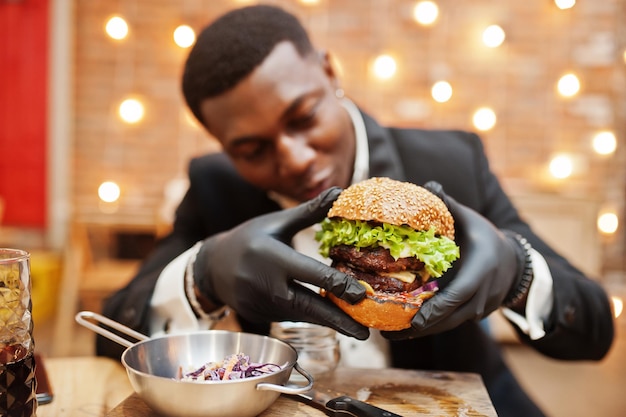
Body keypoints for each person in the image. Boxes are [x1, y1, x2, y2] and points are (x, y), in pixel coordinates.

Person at [96, 5, 614, 417]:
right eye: (252, 150)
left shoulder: (451, 163)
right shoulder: (215, 188)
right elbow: (109, 336)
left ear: (328, 71)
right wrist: (201, 273)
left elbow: (594, 329)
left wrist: (518, 272)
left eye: (303, 115)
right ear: (223, 146)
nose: (295, 159)